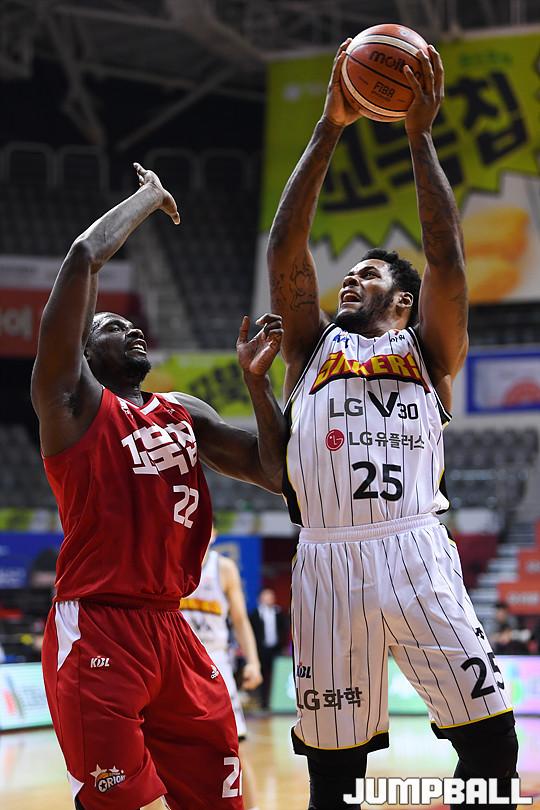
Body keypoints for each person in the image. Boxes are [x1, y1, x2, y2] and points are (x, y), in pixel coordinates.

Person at [266, 40, 518, 810]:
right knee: (334, 774)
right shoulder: (311, 347)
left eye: (368, 275)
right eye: (349, 273)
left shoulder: (427, 351)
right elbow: (286, 250)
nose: (350, 279)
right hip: (326, 562)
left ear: (402, 302)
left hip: (416, 552)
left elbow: (448, 259)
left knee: (492, 742)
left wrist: (420, 136)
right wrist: (328, 127)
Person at [31, 163, 286, 810]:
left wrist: (258, 387)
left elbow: (275, 472)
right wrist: (148, 198)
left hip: (174, 629)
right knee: (116, 803)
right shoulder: (71, 406)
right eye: (112, 328)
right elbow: (84, 256)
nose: (132, 329)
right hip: (99, 625)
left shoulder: (185, 412)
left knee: (220, 800)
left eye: (133, 325)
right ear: (84, 355)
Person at [181, 537, 262, 810]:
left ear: (212, 532)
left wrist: (253, 662)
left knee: (235, 748)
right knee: (161, 751)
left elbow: (239, 619)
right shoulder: (170, 561)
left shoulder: (223, 567)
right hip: (177, 662)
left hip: (215, 662)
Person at [249, 587, 288, 710]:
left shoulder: (278, 613)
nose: (269, 598)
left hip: (275, 650)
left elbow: (284, 631)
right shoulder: (255, 614)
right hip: (260, 650)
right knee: (261, 676)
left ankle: (275, 701)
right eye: (266, 596)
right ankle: (262, 702)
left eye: (271, 596)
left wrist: (283, 646)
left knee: (276, 675)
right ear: (260, 598)